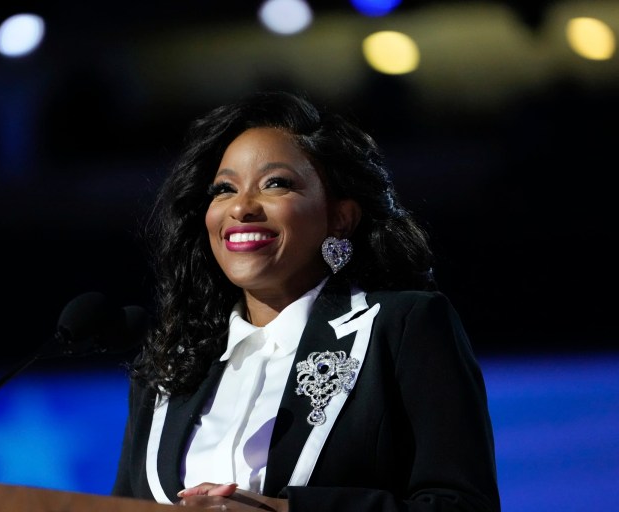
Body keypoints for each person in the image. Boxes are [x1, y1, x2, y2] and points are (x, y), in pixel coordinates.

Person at [112, 90, 500, 512]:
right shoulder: (173, 364)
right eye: (224, 188)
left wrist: (283, 511)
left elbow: (463, 506)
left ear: (339, 217)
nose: (241, 207)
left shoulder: (403, 327)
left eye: (275, 183)